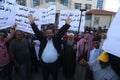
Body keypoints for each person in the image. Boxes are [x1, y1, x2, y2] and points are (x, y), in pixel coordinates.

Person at [28, 14, 72, 80]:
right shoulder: (42, 39)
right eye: (47, 33)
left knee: (55, 77)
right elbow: (37, 32)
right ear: (45, 34)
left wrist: (67, 25)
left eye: (50, 33)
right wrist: (32, 23)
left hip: (54, 65)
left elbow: (61, 32)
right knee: (45, 78)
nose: (49, 34)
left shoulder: (56, 39)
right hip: (44, 65)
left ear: (53, 33)